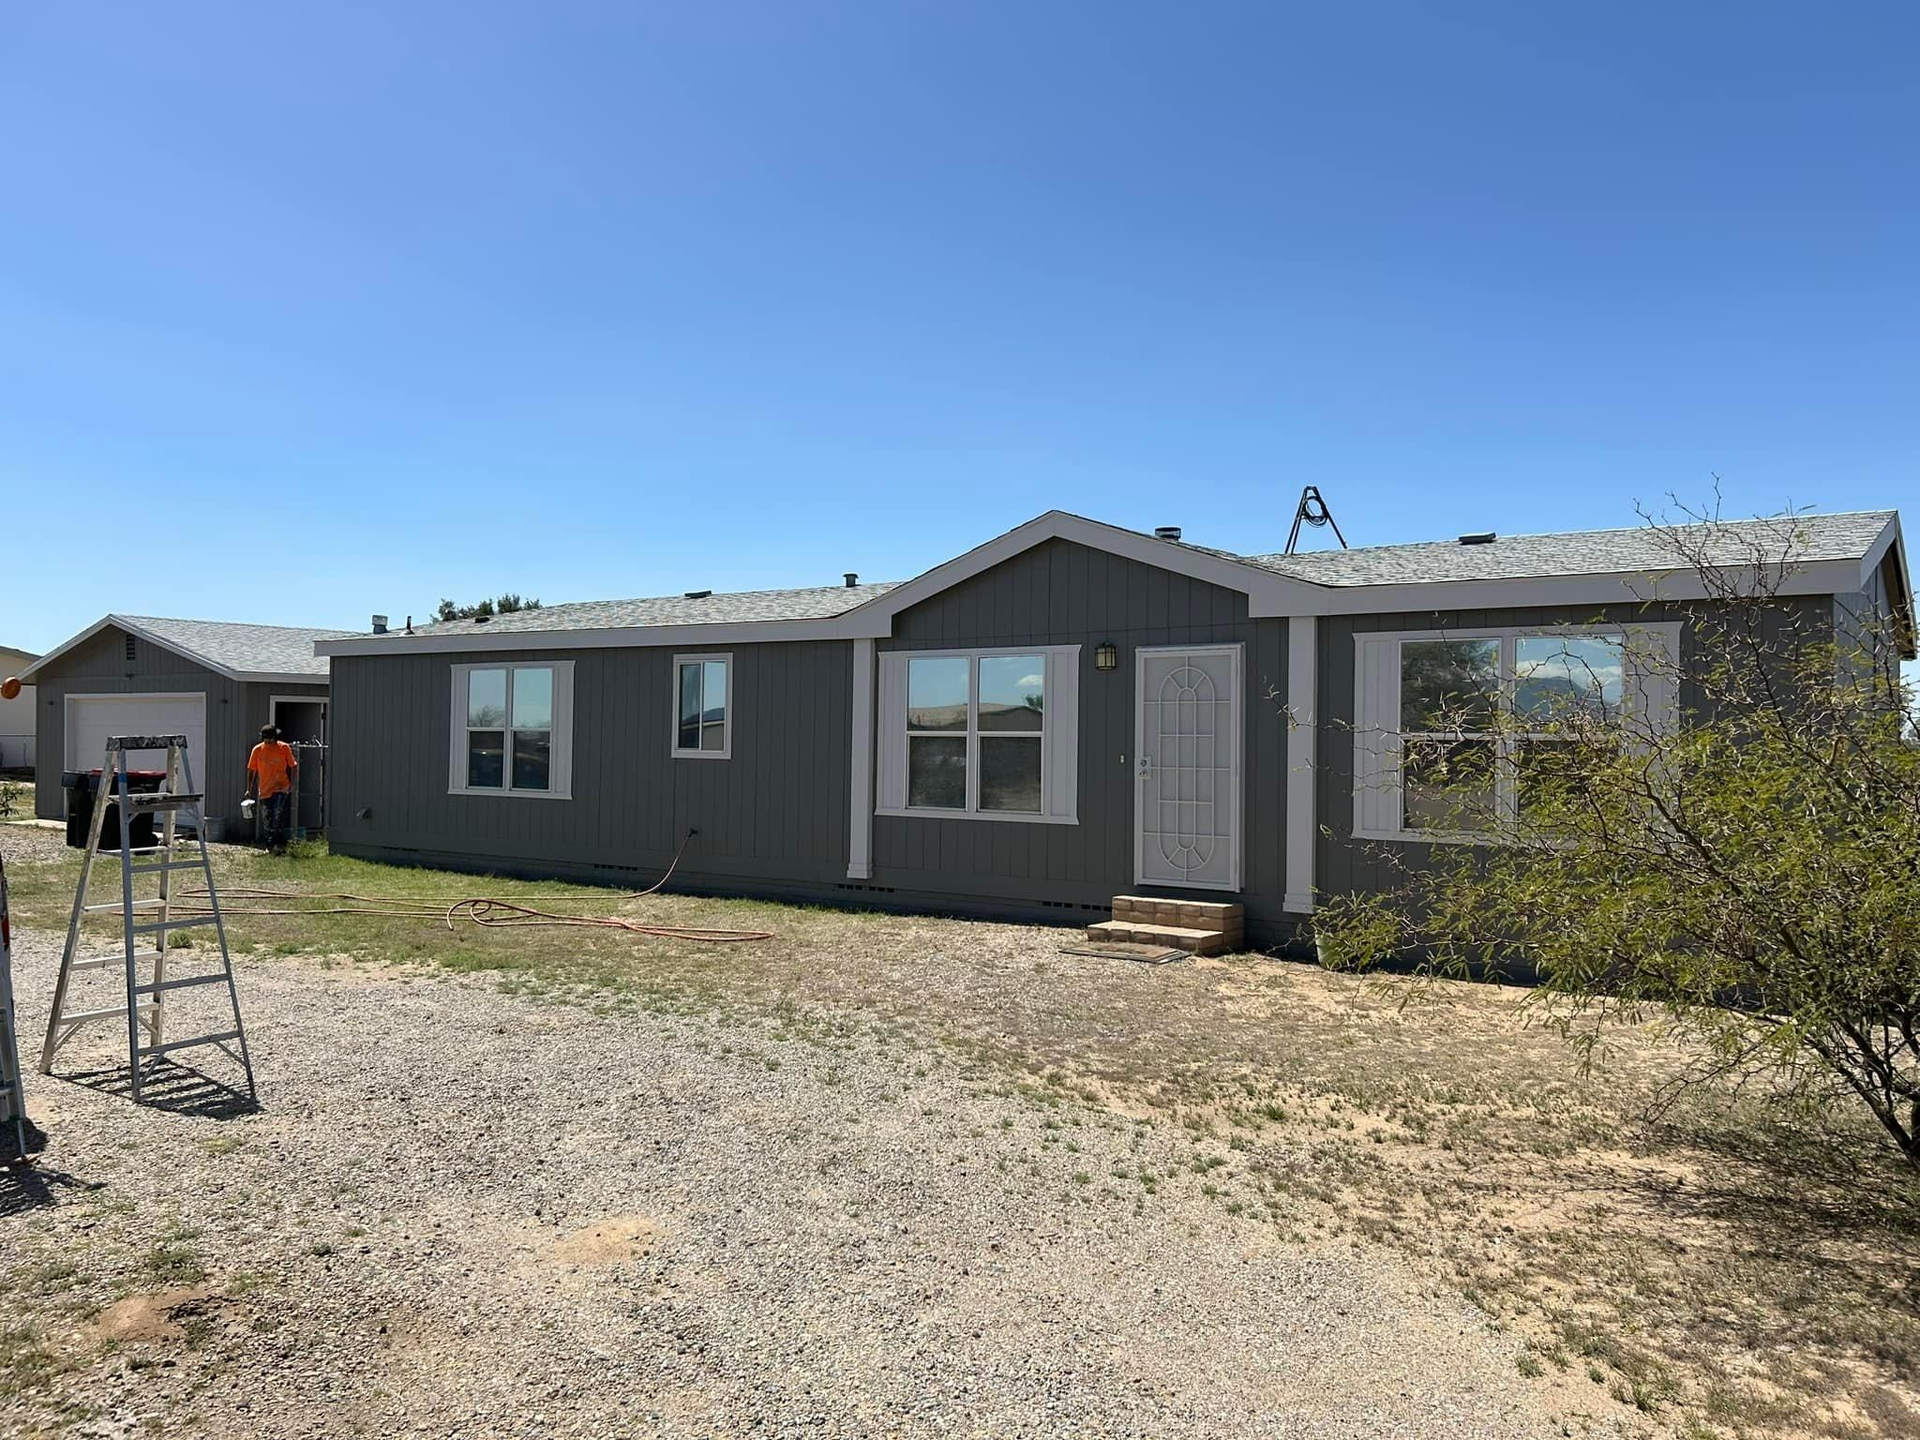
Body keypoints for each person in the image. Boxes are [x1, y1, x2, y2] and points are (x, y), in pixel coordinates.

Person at [245, 724, 299, 855]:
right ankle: (270, 846)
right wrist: (249, 789)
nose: (267, 741)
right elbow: (252, 770)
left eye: (270, 738)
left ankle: (280, 845)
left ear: (275, 737)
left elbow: (293, 766)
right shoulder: (257, 750)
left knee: (278, 815)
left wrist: (291, 784)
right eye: (265, 738)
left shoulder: (284, 748)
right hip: (265, 789)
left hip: (281, 787)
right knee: (267, 818)